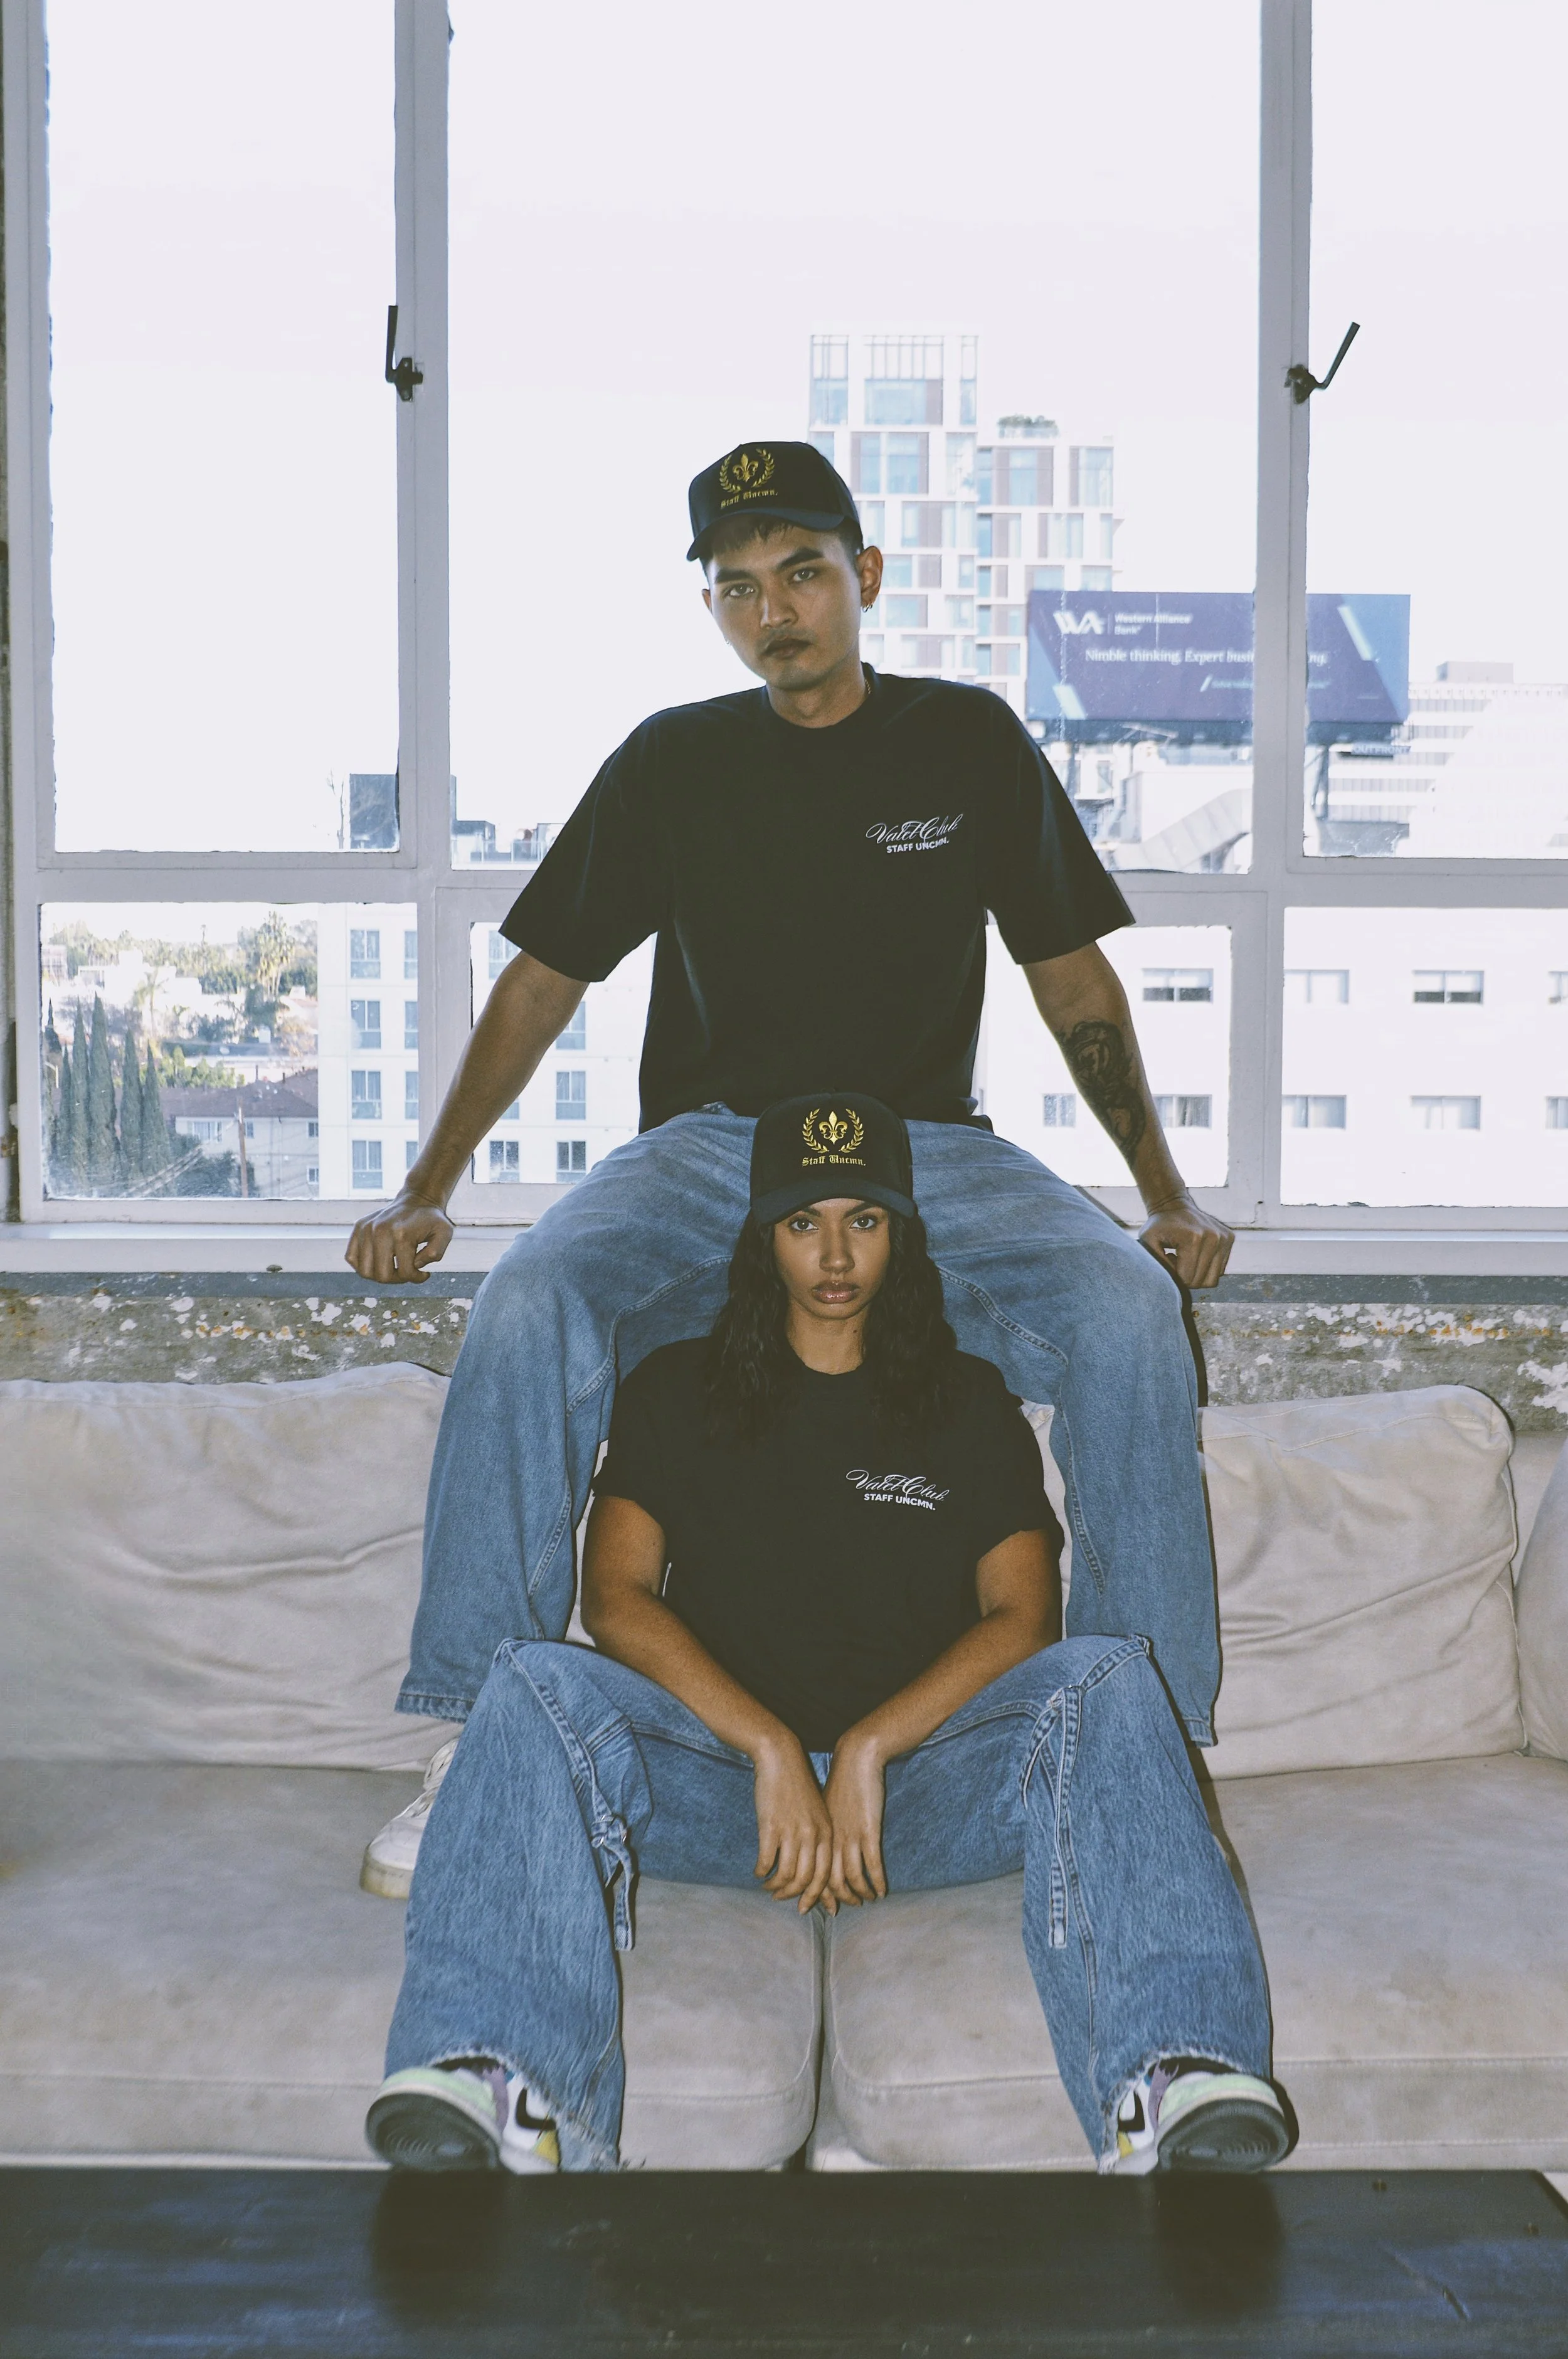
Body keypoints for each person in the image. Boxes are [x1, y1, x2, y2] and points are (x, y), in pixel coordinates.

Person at [350, 438, 1236, 1900]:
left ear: (864, 575)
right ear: (710, 605)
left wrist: (1161, 1195)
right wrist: (426, 1185)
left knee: (1129, 1313)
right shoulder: (672, 761)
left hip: (924, 1152)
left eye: (803, 572)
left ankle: (1138, 1743)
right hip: (714, 1150)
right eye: (738, 586)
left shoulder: (965, 741)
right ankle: (482, 1730)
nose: (775, 610)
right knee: (529, 1298)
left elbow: (1069, 978)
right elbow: (541, 978)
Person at [366, 1095, 1288, 2178]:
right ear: (762, 1237)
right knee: (527, 1679)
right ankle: (500, 2082)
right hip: (718, 1791)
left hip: (915, 1800)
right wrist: (767, 1747)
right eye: (804, 1223)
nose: (837, 1256)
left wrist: (869, 1749)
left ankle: (1175, 2080)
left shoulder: (965, 1399)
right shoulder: (678, 1387)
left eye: (866, 1221)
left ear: (905, 1235)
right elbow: (615, 1598)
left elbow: (1026, 1617)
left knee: (1109, 1674)